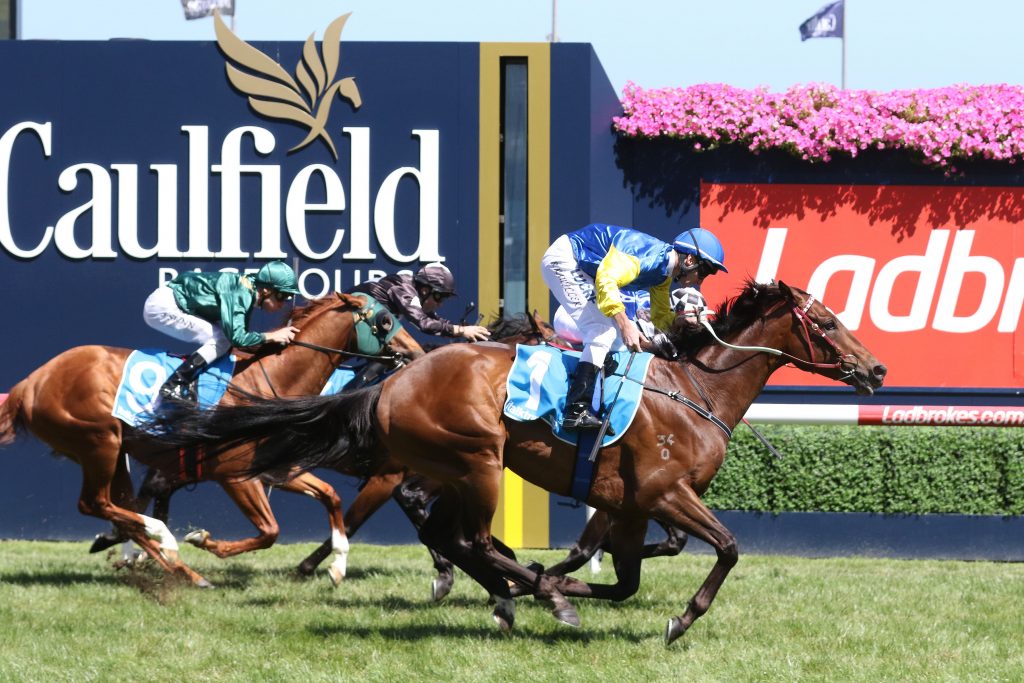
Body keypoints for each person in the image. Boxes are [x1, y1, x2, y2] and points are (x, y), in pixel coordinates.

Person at [541, 224, 727, 430]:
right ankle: (576, 410)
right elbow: (606, 278)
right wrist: (625, 325)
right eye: (704, 271)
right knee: (602, 331)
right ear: (690, 260)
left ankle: (594, 392)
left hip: (584, 268)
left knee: (613, 337)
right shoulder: (651, 257)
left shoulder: (662, 274)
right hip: (566, 259)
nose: (701, 280)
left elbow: (660, 317)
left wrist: (681, 323)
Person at [143, 261, 302, 400]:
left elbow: (238, 341)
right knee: (220, 340)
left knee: (224, 340)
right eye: (282, 295)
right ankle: (174, 385)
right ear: (266, 290)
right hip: (162, 307)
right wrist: (271, 336)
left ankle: (193, 381)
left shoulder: (248, 290)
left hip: (176, 303)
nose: (283, 303)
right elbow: (238, 338)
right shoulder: (241, 293)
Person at [349, 262, 491, 342]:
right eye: (439, 297)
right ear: (425, 290)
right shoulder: (404, 289)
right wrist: (461, 331)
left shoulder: (412, 290)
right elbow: (424, 324)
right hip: (346, 328)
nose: (440, 304)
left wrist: (462, 329)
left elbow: (433, 320)